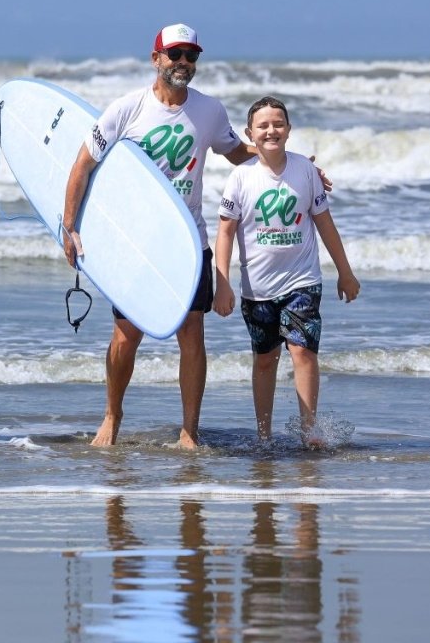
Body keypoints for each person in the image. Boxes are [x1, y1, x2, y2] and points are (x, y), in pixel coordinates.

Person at [62, 23, 326, 449]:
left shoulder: (209, 111)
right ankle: (112, 416)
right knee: (126, 336)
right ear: (156, 59)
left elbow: (238, 153)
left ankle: (190, 431)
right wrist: (70, 226)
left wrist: (294, 164)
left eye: (191, 55)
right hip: (137, 244)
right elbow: (82, 165)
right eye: (175, 54)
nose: (184, 62)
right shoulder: (125, 110)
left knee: (192, 334)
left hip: (188, 243)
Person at [213, 96, 360, 445]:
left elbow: (324, 224)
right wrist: (223, 282)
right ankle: (264, 435)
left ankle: (309, 431)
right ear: (251, 133)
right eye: (263, 125)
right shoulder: (240, 177)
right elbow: (225, 231)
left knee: (303, 352)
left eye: (278, 124)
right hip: (257, 288)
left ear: (289, 130)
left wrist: (345, 271)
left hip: (303, 281)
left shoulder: (305, 172)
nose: (271, 130)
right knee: (265, 360)